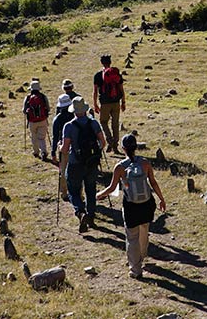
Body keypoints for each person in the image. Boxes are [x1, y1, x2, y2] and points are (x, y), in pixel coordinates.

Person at [97, 133, 166, 279]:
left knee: (132, 237)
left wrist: (99, 195)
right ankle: (143, 255)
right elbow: (153, 182)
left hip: (131, 206)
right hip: (147, 204)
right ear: (136, 147)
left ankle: (135, 269)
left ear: (123, 149)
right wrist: (161, 199)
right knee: (144, 230)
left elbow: (112, 187)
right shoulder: (145, 163)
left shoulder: (120, 167)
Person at [60, 96, 106, 233]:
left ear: (74, 111)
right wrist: (96, 152)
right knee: (91, 189)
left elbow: (65, 148)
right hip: (92, 162)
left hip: (75, 163)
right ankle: (91, 216)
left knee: (73, 190)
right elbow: (103, 142)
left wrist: (59, 147)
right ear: (85, 110)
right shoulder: (94, 123)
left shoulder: (68, 126)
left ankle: (80, 212)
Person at [93, 54, 126, 154]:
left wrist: (95, 104)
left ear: (101, 63)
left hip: (105, 103)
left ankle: (110, 140)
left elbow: (95, 91)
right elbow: (121, 89)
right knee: (115, 124)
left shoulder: (98, 75)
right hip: (116, 102)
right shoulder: (116, 74)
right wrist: (123, 102)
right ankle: (115, 145)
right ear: (110, 62)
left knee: (103, 122)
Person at [51, 93, 74, 200]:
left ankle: (64, 193)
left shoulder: (57, 119)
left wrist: (53, 152)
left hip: (63, 147)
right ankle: (78, 193)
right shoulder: (75, 115)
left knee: (63, 170)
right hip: (76, 146)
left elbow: (55, 137)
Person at [22, 80, 50, 160]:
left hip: (32, 121)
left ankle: (36, 152)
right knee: (41, 137)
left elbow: (24, 110)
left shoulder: (27, 98)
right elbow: (48, 108)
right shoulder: (43, 97)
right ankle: (44, 151)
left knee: (34, 136)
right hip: (42, 120)